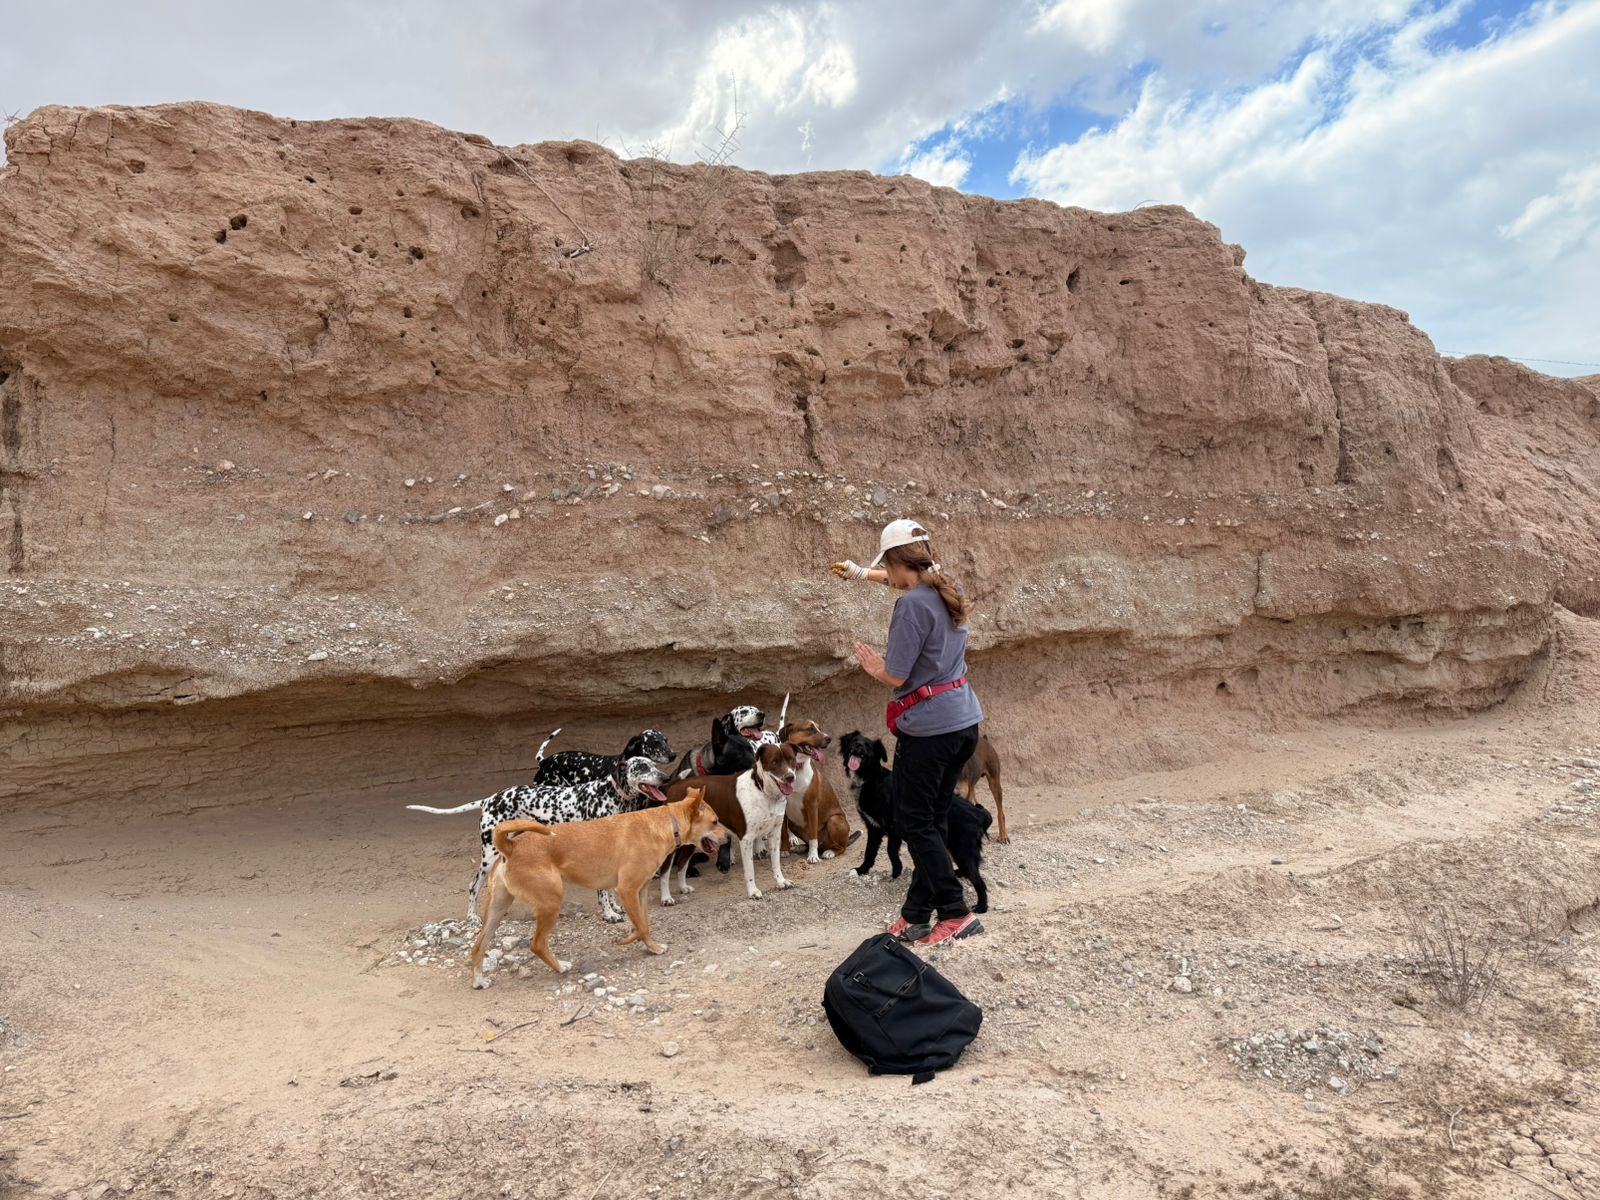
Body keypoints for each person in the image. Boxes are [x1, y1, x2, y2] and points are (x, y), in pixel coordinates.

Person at [831, 518, 985, 947]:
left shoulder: (912, 606)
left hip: (929, 731)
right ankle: (917, 914)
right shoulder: (946, 586)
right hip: (964, 724)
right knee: (931, 820)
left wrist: (873, 666)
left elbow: (897, 675)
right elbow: (906, 580)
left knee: (915, 822)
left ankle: (955, 913)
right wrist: (863, 574)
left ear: (900, 561)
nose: (889, 577)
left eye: (887, 566)